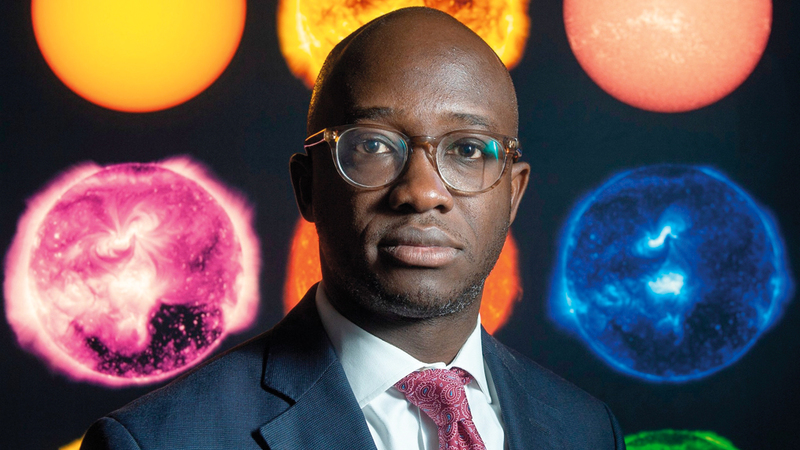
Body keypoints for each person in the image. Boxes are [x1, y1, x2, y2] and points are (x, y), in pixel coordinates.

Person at [81, 7, 625, 450]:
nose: (422, 192)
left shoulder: (586, 430)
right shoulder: (158, 441)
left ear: (513, 194)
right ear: (308, 187)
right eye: (373, 145)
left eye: (466, 150)